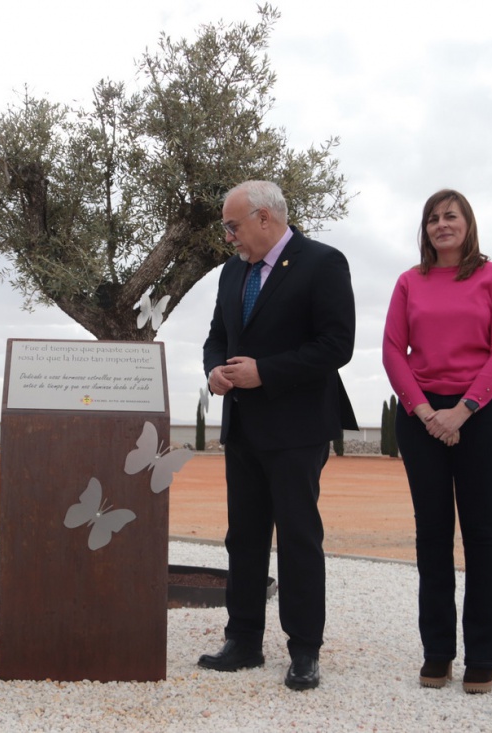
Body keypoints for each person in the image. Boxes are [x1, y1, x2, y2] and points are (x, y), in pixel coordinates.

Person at [200, 180, 358, 691]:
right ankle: (243, 640)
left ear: (264, 218)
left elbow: (336, 345)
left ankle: (304, 650)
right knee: (242, 537)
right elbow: (217, 338)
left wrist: (264, 371)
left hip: (297, 428)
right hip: (243, 426)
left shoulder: (323, 262)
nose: (229, 237)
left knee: (297, 538)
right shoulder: (230, 273)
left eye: (233, 225)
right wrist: (215, 373)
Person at [382, 189, 492, 694]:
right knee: (432, 535)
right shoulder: (408, 282)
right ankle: (437, 652)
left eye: (451, 216)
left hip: (479, 413)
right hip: (421, 416)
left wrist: (462, 410)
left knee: (482, 534)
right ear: (426, 229)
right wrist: (424, 411)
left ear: (467, 223)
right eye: (433, 218)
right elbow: (394, 351)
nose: (442, 225)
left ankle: (482, 654)